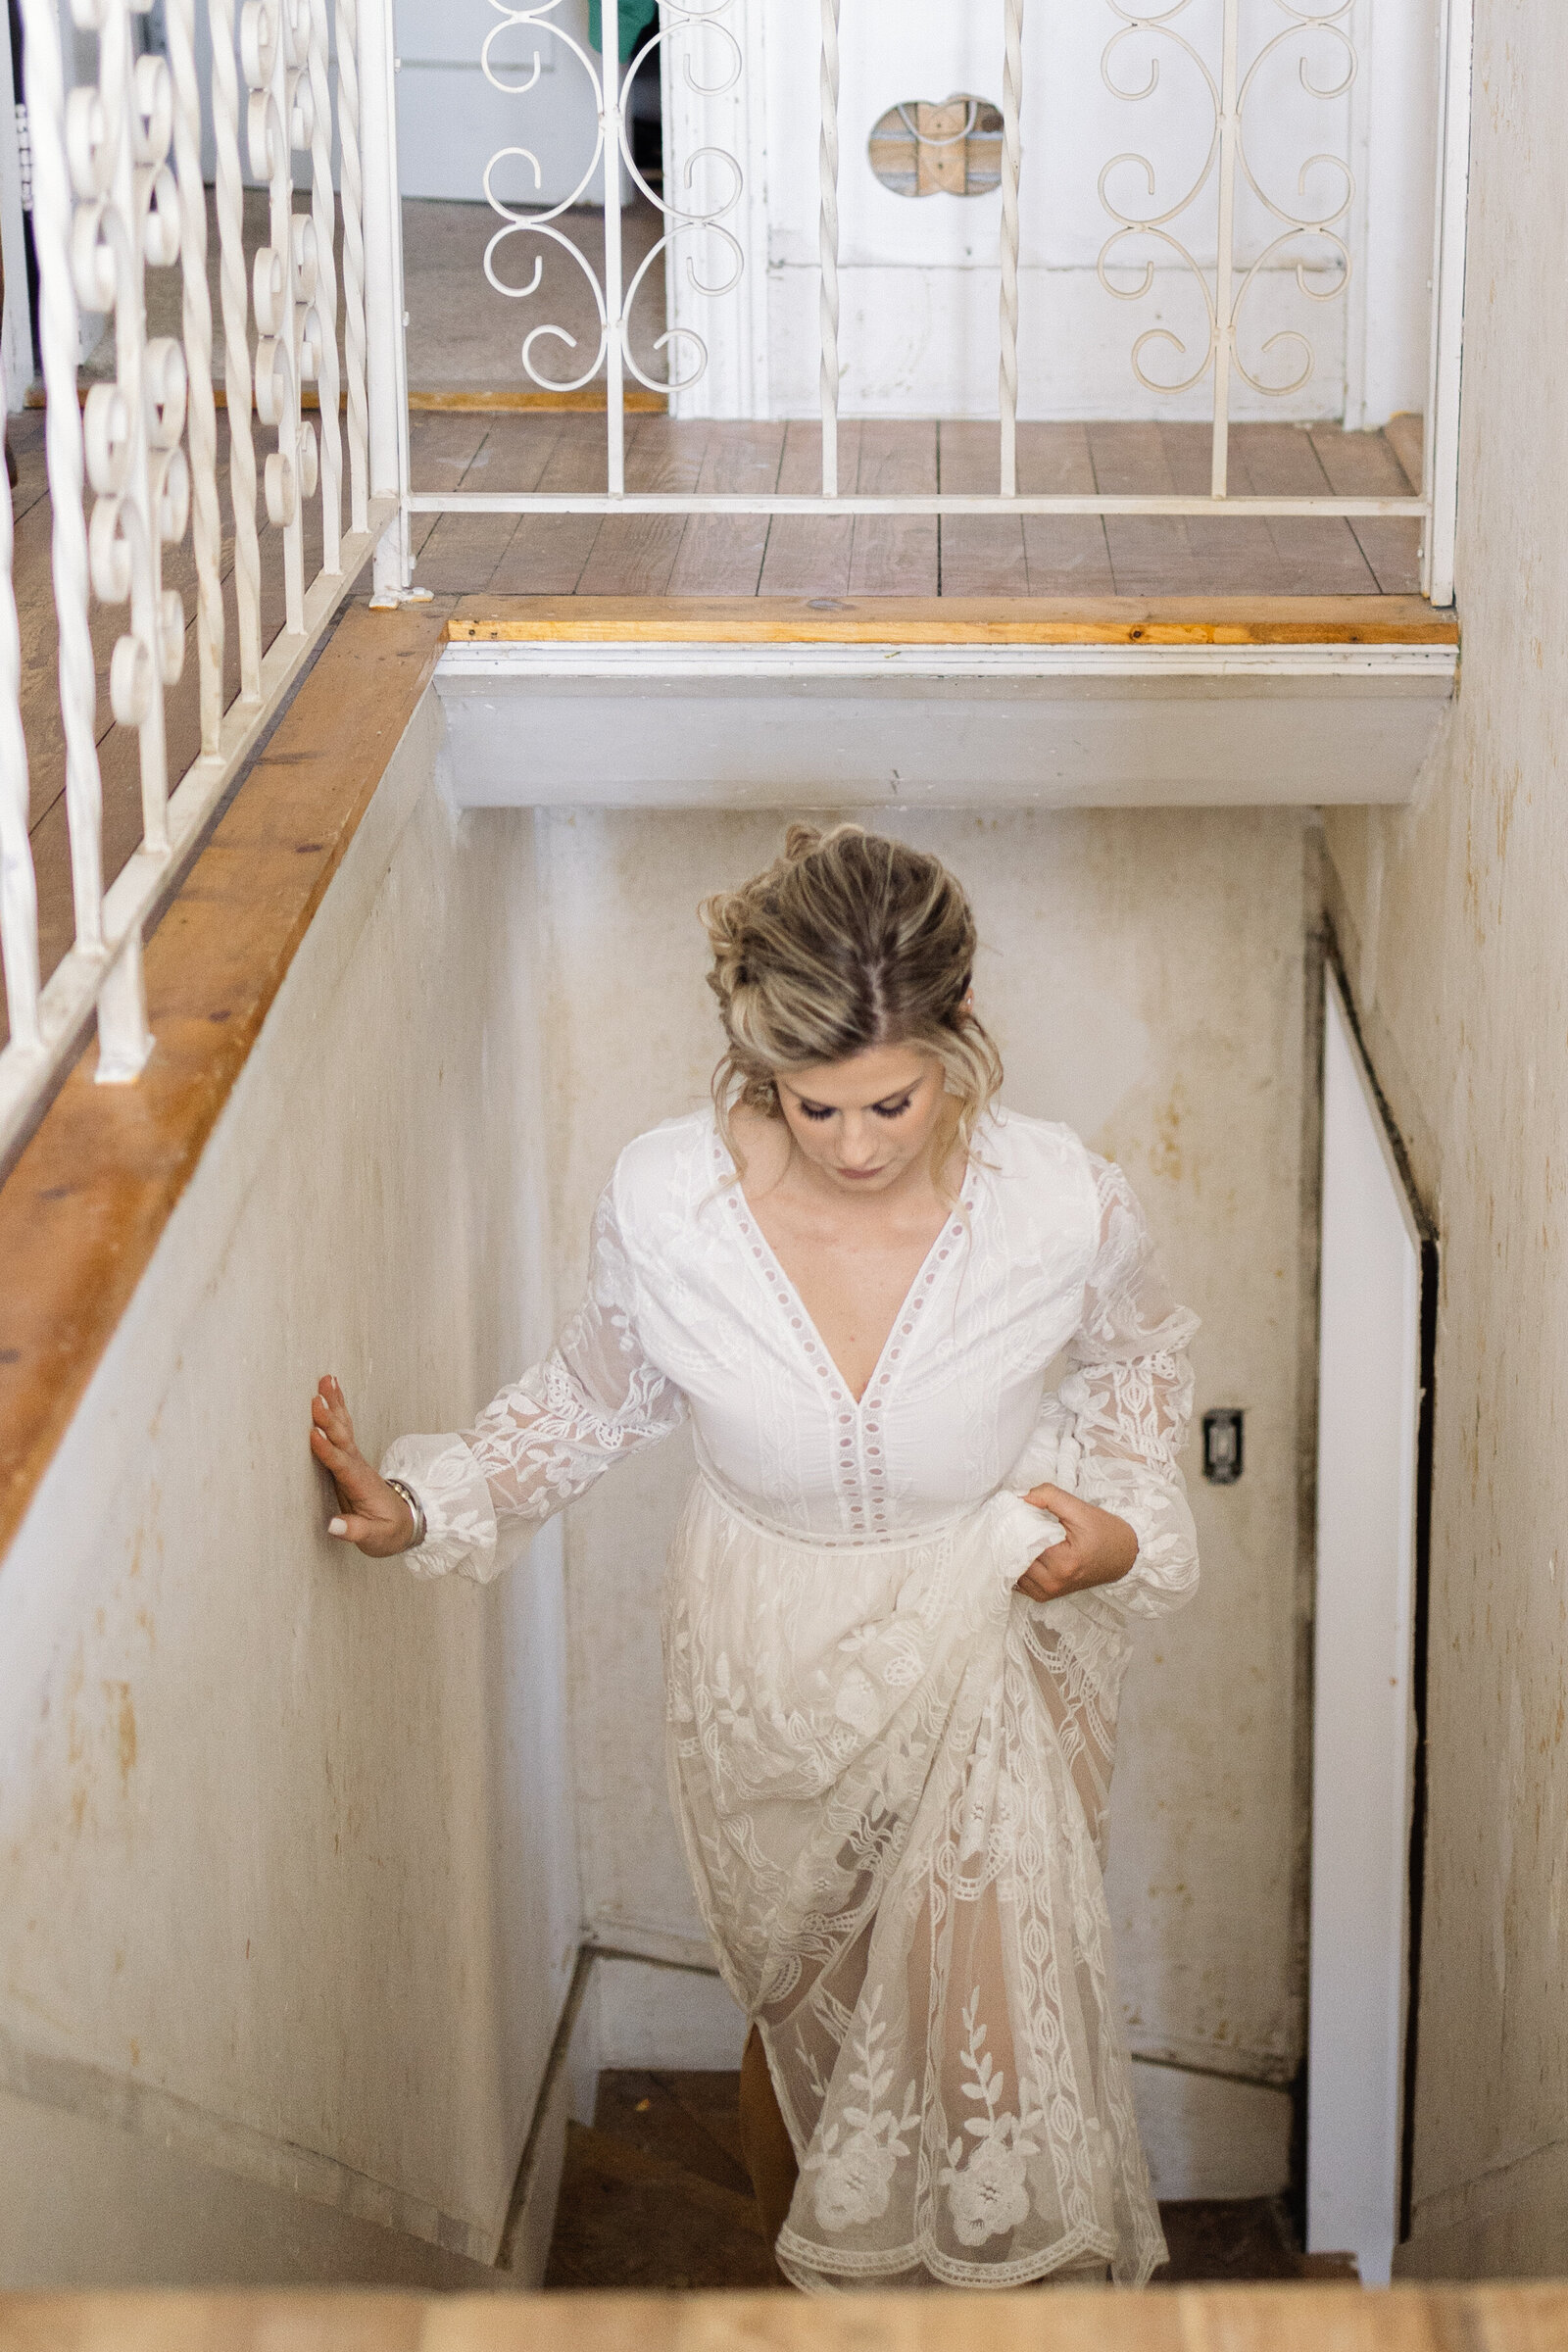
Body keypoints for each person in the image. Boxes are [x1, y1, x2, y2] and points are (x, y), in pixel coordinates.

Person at [310, 823, 1200, 2290]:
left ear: (961, 1031)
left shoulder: (1062, 1200)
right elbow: (596, 1395)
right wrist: (426, 1500)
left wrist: (1118, 1525)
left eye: (892, 1101)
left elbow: (1139, 1357)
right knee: (804, 2020)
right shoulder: (668, 1203)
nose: (854, 1147)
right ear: (756, 1062)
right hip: (762, 1664)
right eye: (811, 1104)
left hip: (985, 1642)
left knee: (987, 2026)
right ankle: (823, 2305)